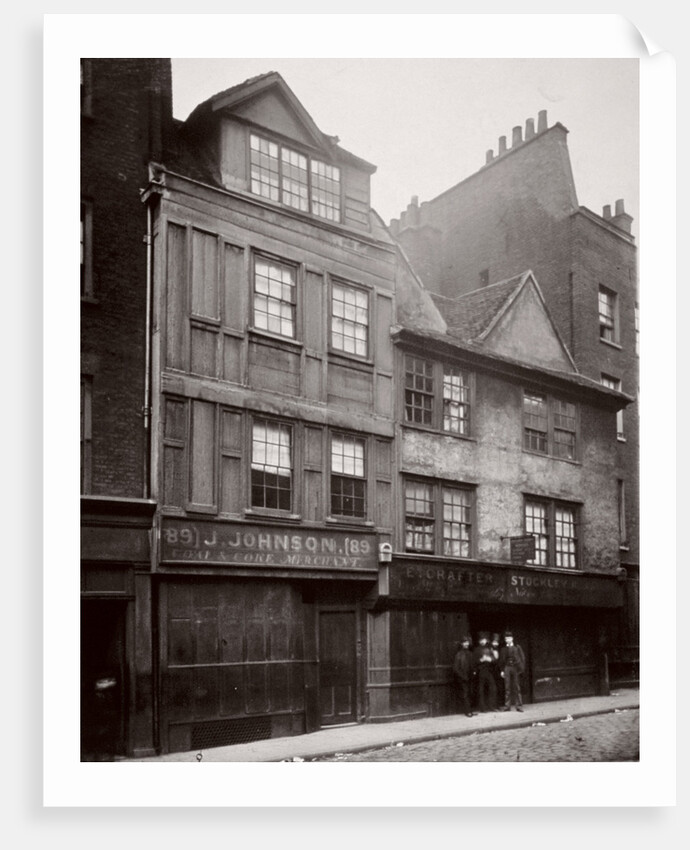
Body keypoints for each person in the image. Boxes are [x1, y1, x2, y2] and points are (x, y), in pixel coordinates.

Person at [499, 630, 525, 711]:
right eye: (506, 638)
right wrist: (502, 670)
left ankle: (519, 706)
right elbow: (501, 660)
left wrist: (521, 668)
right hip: (507, 668)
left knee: (516, 687)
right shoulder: (503, 649)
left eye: (509, 638)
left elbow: (522, 658)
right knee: (507, 687)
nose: (508, 640)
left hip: (515, 668)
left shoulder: (517, 647)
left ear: (512, 638)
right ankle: (507, 706)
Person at [472, 631, 497, 712]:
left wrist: (490, 659)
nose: (483, 641)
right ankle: (482, 708)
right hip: (481, 671)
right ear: (479, 641)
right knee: (481, 690)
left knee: (493, 688)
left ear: (486, 640)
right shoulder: (476, 650)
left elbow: (494, 660)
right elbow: (473, 662)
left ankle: (491, 706)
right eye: (481, 640)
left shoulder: (490, 649)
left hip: (489, 671)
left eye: (484, 639)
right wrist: (481, 660)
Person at [452, 635, 475, 717]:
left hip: (470, 677)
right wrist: (462, 676)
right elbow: (455, 668)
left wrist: (474, 672)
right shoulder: (459, 654)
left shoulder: (470, 653)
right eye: (464, 642)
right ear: (462, 644)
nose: (466, 644)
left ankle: (470, 710)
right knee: (465, 694)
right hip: (463, 678)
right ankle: (467, 711)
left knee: (471, 693)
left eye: (467, 642)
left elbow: (473, 665)